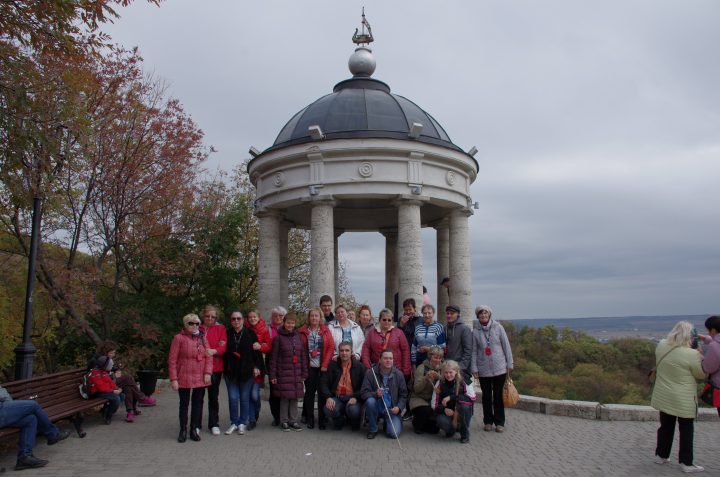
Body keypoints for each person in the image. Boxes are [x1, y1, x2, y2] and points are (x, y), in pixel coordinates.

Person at [650, 320, 706, 472]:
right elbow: (701, 374)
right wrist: (700, 353)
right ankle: (686, 463)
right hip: (683, 397)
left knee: (666, 426)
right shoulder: (692, 354)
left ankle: (661, 455)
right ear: (690, 336)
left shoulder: (661, 345)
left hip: (664, 394)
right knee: (686, 429)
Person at [0, 385, 70, 471]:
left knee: (30, 419)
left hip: (4, 409)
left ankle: (24, 457)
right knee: (33, 405)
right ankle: (52, 434)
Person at [168, 313, 212, 443]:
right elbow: (172, 360)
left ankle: (194, 429)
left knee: (197, 405)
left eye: (196, 323)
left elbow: (208, 356)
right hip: (184, 375)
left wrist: (208, 373)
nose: (194, 326)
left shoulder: (203, 338)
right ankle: (183, 430)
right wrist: (174, 379)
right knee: (184, 404)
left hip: (200, 376)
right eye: (191, 323)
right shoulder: (178, 338)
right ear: (185, 324)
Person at [471, 305, 513, 433]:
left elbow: (506, 346)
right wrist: (474, 368)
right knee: (487, 396)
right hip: (483, 369)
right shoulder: (475, 331)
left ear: (489, 315)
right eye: (481, 314)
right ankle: (488, 421)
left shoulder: (498, 328)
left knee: (498, 396)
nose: (483, 316)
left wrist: (509, 363)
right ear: (478, 316)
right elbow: (473, 351)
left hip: (499, 367)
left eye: (485, 314)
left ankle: (500, 422)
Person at [223, 311, 263, 435]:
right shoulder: (227, 333)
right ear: (231, 321)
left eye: (238, 318)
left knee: (245, 398)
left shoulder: (250, 333)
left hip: (246, 371)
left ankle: (242, 423)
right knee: (233, 398)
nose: (236, 321)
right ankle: (234, 422)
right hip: (231, 371)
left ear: (243, 320)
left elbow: (256, 352)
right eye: (233, 319)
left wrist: (257, 366)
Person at [269, 313, 308, 431]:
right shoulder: (278, 338)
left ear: (295, 324)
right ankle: (284, 421)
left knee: (294, 398)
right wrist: (273, 375)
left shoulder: (298, 337)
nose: (290, 325)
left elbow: (302, 356)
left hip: (296, 373)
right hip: (283, 373)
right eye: (288, 322)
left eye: (292, 323)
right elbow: (273, 358)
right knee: (285, 398)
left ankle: (293, 420)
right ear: (284, 323)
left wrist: (304, 373)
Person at [298, 307, 335, 429]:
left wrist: (325, 364)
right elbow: (300, 351)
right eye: (312, 316)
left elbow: (330, 347)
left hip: (322, 368)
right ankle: (310, 418)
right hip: (309, 367)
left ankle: (322, 419)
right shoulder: (302, 331)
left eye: (316, 316)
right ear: (309, 318)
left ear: (320, 318)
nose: (314, 318)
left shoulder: (325, 330)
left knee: (322, 394)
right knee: (309, 394)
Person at [361, 349, 408, 439]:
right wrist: (375, 394)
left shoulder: (399, 375)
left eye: (390, 358)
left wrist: (399, 407)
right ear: (380, 360)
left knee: (393, 434)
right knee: (370, 401)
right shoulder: (371, 373)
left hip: (391, 409)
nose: (388, 360)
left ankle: (388, 423)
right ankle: (373, 429)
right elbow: (363, 393)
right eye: (385, 358)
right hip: (377, 406)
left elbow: (403, 395)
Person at [320, 341, 366, 431]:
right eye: (341, 350)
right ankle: (339, 419)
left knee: (354, 411)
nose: (344, 353)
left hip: (352, 397)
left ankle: (353, 420)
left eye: (347, 350)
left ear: (351, 352)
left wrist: (356, 397)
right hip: (337, 397)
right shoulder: (332, 366)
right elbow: (323, 382)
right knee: (328, 409)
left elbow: (365, 386)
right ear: (338, 352)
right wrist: (328, 397)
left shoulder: (360, 367)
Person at [199, 305, 226, 436]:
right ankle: (196, 424)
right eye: (208, 316)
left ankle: (214, 424)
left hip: (215, 367)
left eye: (213, 317)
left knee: (213, 397)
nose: (210, 318)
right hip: (199, 367)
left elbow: (224, 345)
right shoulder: (197, 328)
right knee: (198, 397)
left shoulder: (221, 328)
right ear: (203, 316)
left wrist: (215, 350)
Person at [361, 308, 411, 378]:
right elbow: (365, 350)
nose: (386, 322)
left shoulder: (399, 333)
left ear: (392, 321)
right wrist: (368, 367)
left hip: (396, 370)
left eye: (389, 320)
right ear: (379, 320)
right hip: (377, 371)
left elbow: (405, 351)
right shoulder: (371, 333)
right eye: (384, 319)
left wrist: (405, 371)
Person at [433, 360, 474, 444]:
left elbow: (472, 398)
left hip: (461, 412)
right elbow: (434, 404)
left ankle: (464, 434)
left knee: (464, 406)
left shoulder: (464, 380)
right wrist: (443, 409)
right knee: (440, 419)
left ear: (456, 371)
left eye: (451, 372)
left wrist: (451, 397)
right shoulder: (440, 383)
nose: (448, 375)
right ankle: (451, 430)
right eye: (446, 372)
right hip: (448, 412)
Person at [246, 309, 272, 430]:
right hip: (246, 366)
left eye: (254, 317)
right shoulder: (245, 328)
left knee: (255, 395)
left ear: (259, 317)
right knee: (250, 395)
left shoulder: (264, 329)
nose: (252, 319)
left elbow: (269, 346)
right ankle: (252, 419)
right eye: (250, 317)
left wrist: (261, 346)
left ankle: (256, 411)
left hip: (259, 365)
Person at [410, 346, 444, 434]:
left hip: (433, 400)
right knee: (426, 410)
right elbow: (416, 389)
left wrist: (439, 378)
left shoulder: (443, 369)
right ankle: (416, 423)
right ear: (430, 357)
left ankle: (425, 421)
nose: (437, 360)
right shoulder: (421, 368)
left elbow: (447, 385)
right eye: (435, 357)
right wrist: (425, 378)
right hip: (420, 399)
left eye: (440, 358)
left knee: (434, 430)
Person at [267, 306, 286, 426]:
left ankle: (285, 416)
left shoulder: (288, 328)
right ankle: (276, 416)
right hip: (272, 362)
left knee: (284, 390)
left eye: (281, 316)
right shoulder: (268, 329)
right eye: (275, 315)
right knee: (273, 391)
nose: (278, 318)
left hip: (286, 363)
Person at [88, 356, 122, 425]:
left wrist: (116, 388)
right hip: (96, 392)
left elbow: (110, 382)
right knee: (116, 399)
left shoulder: (103, 371)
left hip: (104, 391)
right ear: (104, 365)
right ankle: (108, 416)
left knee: (122, 396)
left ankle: (105, 410)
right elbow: (101, 387)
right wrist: (113, 391)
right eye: (109, 365)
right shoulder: (95, 373)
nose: (111, 366)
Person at [444, 304, 472, 382]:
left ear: (458, 314)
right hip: (447, 371)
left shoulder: (465, 329)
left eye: (452, 314)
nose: (449, 315)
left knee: (460, 393)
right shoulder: (444, 328)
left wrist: (460, 368)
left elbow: (468, 351)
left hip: (460, 370)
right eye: (447, 313)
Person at [699, 315, 720, 417]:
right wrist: (705, 339)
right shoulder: (715, 343)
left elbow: (707, 367)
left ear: (713, 330)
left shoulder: (714, 346)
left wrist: (699, 354)